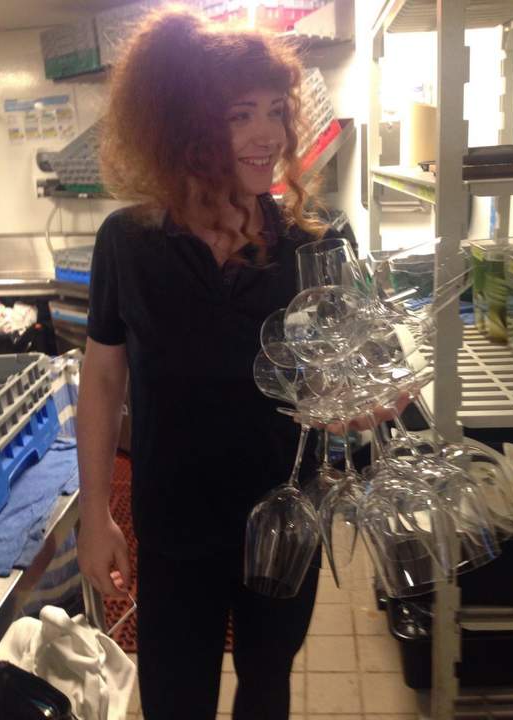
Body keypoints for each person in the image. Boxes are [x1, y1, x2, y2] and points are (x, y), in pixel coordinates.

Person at [76, 6, 405, 719]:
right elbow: (101, 380)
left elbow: (360, 364)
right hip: (174, 523)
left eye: (277, 111)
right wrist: (94, 513)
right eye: (239, 115)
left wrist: (369, 401)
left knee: (266, 684)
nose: (268, 135)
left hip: (284, 517)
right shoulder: (129, 243)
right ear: (184, 128)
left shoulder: (317, 242)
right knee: (175, 695)